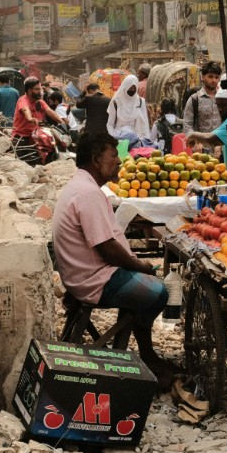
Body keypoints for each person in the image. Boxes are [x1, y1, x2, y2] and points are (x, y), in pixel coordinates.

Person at [52, 132, 174, 385]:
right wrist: (141, 266)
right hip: (94, 279)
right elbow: (107, 248)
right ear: (96, 160)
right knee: (160, 292)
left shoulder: (82, 186)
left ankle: (145, 351)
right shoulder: (88, 194)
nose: (119, 161)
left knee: (146, 286)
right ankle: (147, 354)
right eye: (113, 156)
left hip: (84, 273)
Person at [13, 77, 66, 165]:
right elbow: (26, 110)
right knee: (23, 163)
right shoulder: (23, 101)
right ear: (30, 91)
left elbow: (49, 111)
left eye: (40, 89)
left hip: (37, 136)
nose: (40, 91)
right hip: (22, 136)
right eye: (37, 89)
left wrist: (62, 122)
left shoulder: (40, 102)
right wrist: (30, 118)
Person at [107, 74, 151, 144]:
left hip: (136, 139)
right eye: (130, 88)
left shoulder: (140, 102)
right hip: (119, 139)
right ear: (125, 87)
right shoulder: (116, 102)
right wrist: (114, 138)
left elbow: (145, 123)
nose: (132, 90)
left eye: (134, 88)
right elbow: (110, 124)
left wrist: (147, 140)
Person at [183, 62, 222, 135]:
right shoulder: (194, 99)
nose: (214, 80)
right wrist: (196, 141)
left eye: (216, 77)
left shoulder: (223, 98)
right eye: (210, 76)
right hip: (201, 145)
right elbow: (187, 125)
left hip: (221, 145)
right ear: (203, 77)